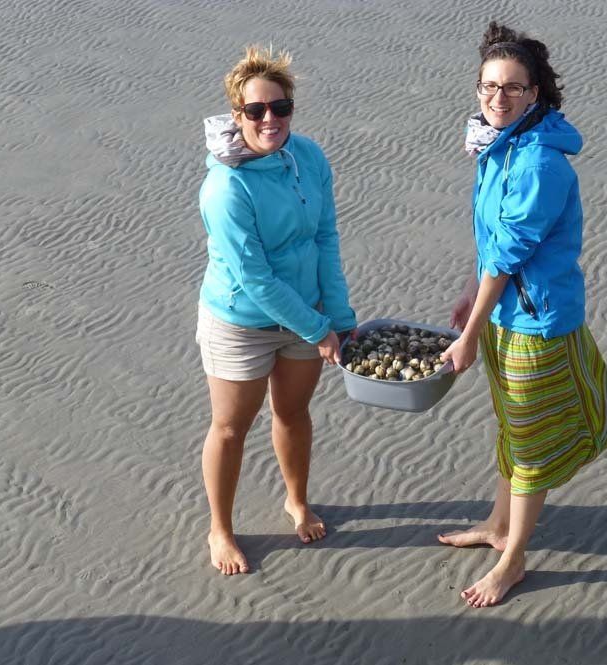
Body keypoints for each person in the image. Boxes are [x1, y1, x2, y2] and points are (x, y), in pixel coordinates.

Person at [438, 22, 607, 607]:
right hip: (505, 313)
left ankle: (514, 559)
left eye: (514, 88)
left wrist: (468, 334)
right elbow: (491, 243)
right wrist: (476, 297)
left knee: (530, 445)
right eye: (489, 85)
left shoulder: (540, 163)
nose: (499, 97)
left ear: (536, 94)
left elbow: (510, 250)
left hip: (537, 324)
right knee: (513, 426)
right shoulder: (500, 145)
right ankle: (499, 527)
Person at [195, 45, 356, 575]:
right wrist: (318, 329)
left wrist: (340, 316)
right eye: (256, 110)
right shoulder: (225, 187)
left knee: (292, 413)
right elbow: (254, 277)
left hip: (306, 313)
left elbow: (326, 237)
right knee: (229, 428)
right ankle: (220, 529)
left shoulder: (308, 157)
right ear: (236, 114)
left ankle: (297, 500)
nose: (270, 120)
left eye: (280, 108)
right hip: (241, 322)